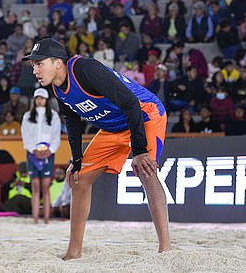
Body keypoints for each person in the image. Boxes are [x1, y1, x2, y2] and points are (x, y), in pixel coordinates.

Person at [22, 38, 171, 259]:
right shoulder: (57, 87)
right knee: (78, 178)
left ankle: (165, 249)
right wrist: (77, 159)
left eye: (39, 63)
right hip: (113, 127)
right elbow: (72, 121)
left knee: (146, 171)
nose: (34, 70)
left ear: (57, 62)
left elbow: (131, 104)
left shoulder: (85, 70)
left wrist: (139, 151)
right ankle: (74, 252)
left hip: (145, 115)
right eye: (33, 65)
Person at [20, 87, 61, 224]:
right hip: (32, 154)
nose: (40, 100)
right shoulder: (27, 116)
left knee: (46, 185)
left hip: (48, 155)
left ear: (46, 100)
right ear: (34, 100)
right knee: (35, 186)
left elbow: (56, 135)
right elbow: (25, 135)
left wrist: (50, 150)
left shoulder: (54, 116)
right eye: (37, 98)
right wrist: (34, 150)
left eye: (42, 98)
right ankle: (35, 218)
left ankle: (47, 218)